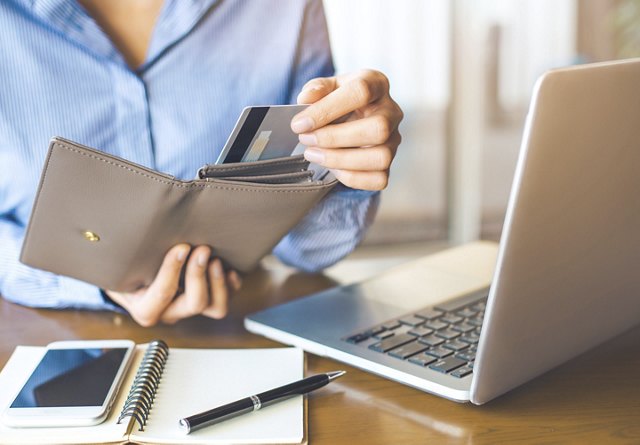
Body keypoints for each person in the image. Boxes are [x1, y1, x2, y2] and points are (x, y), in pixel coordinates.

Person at [0, 0, 403, 326]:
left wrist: (343, 164)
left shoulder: (286, 8)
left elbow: (308, 250)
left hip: (245, 326)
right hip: (42, 335)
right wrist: (91, 284)